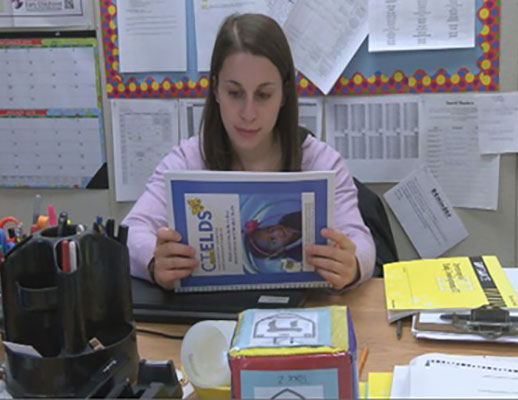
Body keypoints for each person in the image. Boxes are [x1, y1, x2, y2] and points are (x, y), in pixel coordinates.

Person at [122, 13, 376, 291]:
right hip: (207, 317)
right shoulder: (188, 158)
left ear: (284, 95)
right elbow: (132, 231)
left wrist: (351, 266)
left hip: (302, 315)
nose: (248, 113)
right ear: (216, 90)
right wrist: (154, 262)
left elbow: (362, 244)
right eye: (234, 93)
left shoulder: (321, 161)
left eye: (264, 95)